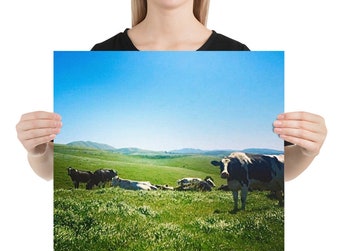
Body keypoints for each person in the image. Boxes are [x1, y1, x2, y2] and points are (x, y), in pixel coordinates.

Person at [16, 0, 327, 181]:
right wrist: (37, 152)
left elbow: (279, 173)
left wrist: (307, 152)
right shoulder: (101, 52)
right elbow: (47, 171)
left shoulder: (239, 52)